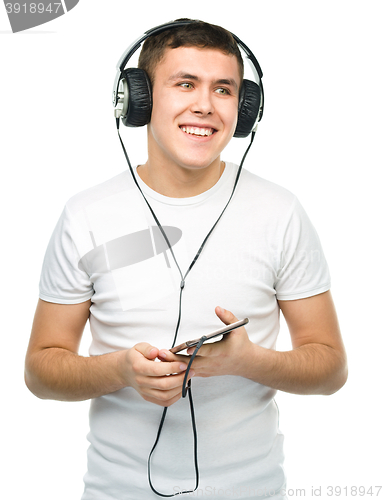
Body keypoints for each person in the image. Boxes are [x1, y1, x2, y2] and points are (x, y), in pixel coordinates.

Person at [25, 19, 348, 500]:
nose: (204, 104)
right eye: (184, 84)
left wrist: (248, 361)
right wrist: (120, 371)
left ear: (244, 110)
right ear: (138, 99)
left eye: (223, 89)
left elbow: (330, 369)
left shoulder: (281, 213)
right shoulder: (86, 215)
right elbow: (41, 371)